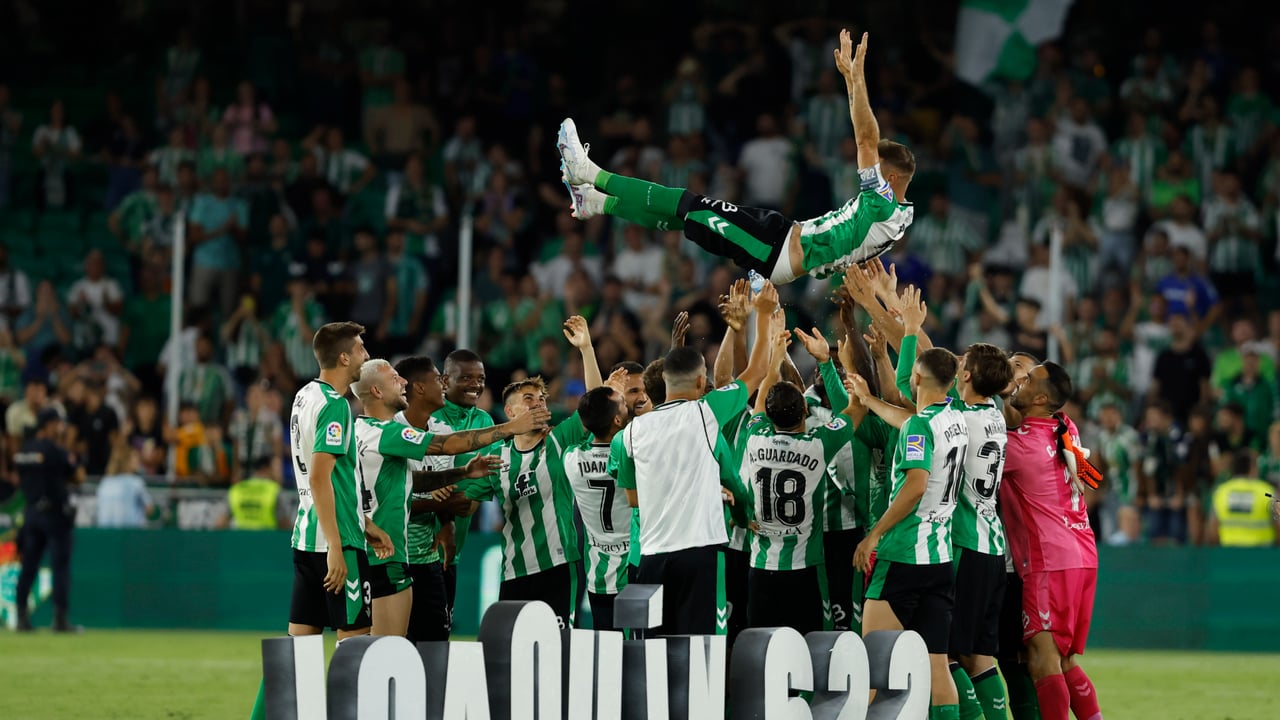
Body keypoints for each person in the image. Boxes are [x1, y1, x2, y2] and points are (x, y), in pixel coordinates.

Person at [557, 30, 914, 286]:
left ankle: (589, 172)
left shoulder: (881, 205)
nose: (866, 167)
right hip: (782, 236)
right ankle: (596, 202)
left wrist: (856, 79)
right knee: (686, 218)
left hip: (775, 251)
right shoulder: (897, 217)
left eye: (876, 166)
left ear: (892, 179)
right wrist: (850, 83)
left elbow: (866, 139)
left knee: (688, 203)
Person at [608, 283, 775, 636]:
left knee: (653, 651)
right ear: (701, 382)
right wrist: (762, 313)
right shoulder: (706, 412)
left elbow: (633, 499)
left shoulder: (630, 434)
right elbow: (758, 369)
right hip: (700, 554)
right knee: (700, 650)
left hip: (652, 556)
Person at [351, 358, 519, 637]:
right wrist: (511, 428)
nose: (403, 382)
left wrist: (461, 474)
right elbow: (449, 445)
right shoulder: (388, 432)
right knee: (388, 649)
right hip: (388, 553)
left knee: (368, 645)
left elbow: (408, 481)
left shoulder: (357, 431)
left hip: (389, 553)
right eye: (395, 378)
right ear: (377, 391)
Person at [456, 316, 604, 629]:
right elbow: (463, 507)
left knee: (558, 648)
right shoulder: (496, 458)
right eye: (529, 399)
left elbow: (597, 406)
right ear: (510, 412)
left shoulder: (559, 440)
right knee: (513, 651)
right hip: (514, 572)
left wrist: (586, 349)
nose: (538, 403)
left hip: (559, 567)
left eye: (541, 399)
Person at [850, 348, 969, 720]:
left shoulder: (921, 426)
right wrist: (869, 400)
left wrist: (874, 534)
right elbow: (912, 423)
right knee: (937, 668)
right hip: (939, 559)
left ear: (915, 378)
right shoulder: (955, 417)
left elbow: (916, 484)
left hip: (903, 554)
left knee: (873, 667)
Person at [740, 327, 861, 634]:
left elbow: (761, 400)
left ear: (767, 415)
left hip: (761, 568)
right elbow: (855, 409)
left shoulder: (755, 437)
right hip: (805, 568)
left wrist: (775, 360)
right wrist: (829, 363)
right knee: (811, 646)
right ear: (806, 410)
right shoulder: (817, 445)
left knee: (763, 648)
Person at [1001, 363, 1103, 720]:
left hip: (1050, 560)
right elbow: (1089, 476)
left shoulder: (1018, 447)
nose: (1020, 381)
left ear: (1042, 399)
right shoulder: (1065, 427)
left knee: (1042, 660)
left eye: (1027, 379)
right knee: (1065, 659)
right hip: (1083, 554)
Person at [949, 344, 1015, 720]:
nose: (957, 364)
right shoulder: (994, 413)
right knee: (980, 657)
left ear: (968, 375)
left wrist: (908, 330)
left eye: (963, 362)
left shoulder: (959, 417)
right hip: (993, 548)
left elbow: (912, 396)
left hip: (966, 545)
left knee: (944, 651)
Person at [431, 348, 496, 630]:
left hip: (451, 553)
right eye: (467, 377)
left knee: (439, 631)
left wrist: (464, 503)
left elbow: (485, 479)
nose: (475, 384)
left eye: (480, 378)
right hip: (413, 546)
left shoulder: (484, 421)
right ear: (445, 381)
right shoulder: (429, 415)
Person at [565, 384, 637, 630]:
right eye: (623, 404)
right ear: (617, 419)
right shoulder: (632, 456)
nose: (628, 405)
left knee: (607, 646)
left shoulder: (571, 458)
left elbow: (592, 422)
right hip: (633, 569)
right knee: (637, 646)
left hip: (598, 574)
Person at [14, 407, 85, 632]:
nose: (61, 428)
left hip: (31, 513)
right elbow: (78, 476)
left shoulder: (24, 450)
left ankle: (21, 616)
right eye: (58, 423)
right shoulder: (55, 450)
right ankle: (60, 619)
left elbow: (20, 477)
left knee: (28, 566)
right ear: (49, 425)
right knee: (60, 566)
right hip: (54, 514)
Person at [1208, 450, 1280, 546]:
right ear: (1251, 468)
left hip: (1229, 552)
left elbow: (1212, 531)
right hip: (1262, 553)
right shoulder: (1267, 492)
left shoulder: (1220, 492)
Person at [96, 443, 154, 529]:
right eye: (135, 459)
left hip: (104, 534)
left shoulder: (104, 482)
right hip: (130, 533)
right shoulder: (136, 482)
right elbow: (149, 508)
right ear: (127, 461)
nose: (138, 461)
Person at [222, 457, 288, 530]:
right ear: (265, 469)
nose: (279, 474)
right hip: (267, 536)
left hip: (241, 535)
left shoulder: (236, 490)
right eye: (276, 469)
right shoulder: (274, 490)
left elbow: (221, 522)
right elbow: (284, 523)